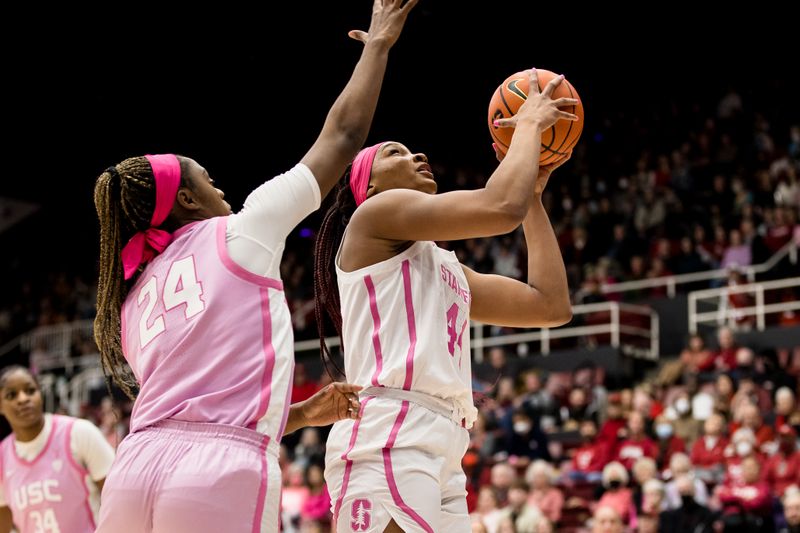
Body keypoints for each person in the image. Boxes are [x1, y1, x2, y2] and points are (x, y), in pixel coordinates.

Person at [91, 2, 419, 532]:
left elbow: (198, 415)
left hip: (133, 467)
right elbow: (341, 138)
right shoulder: (243, 230)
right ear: (188, 202)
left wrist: (307, 415)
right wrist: (378, 46)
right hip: (217, 472)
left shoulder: (129, 300)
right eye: (207, 180)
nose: (219, 187)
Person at [315, 68, 576, 532]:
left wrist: (533, 196)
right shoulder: (375, 218)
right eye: (395, 152)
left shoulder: (447, 269)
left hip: (444, 444)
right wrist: (530, 126)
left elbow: (549, 305)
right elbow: (499, 208)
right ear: (368, 187)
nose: (418, 153)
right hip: (389, 434)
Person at [0, 366, 115, 533]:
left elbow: (119, 499)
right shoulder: (2, 458)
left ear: (40, 394)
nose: (23, 398)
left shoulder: (80, 433)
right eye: (12, 395)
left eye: (30, 390)